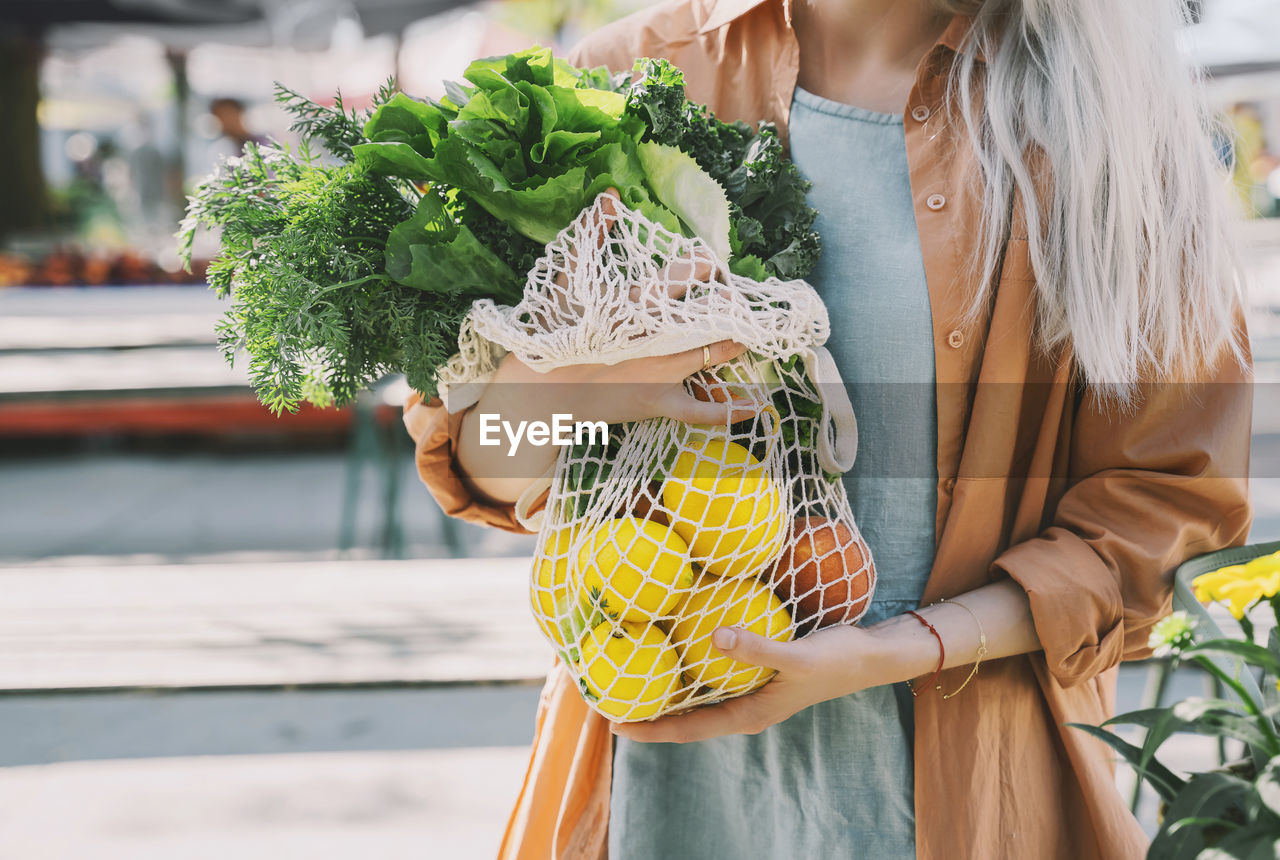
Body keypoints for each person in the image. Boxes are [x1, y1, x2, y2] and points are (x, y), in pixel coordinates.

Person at [403, 1, 1254, 857]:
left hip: (963, 791)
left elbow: (1156, 518)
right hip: (656, 783)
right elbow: (488, 469)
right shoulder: (632, 73)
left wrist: (895, 648)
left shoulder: (1106, 119)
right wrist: (582, 394)